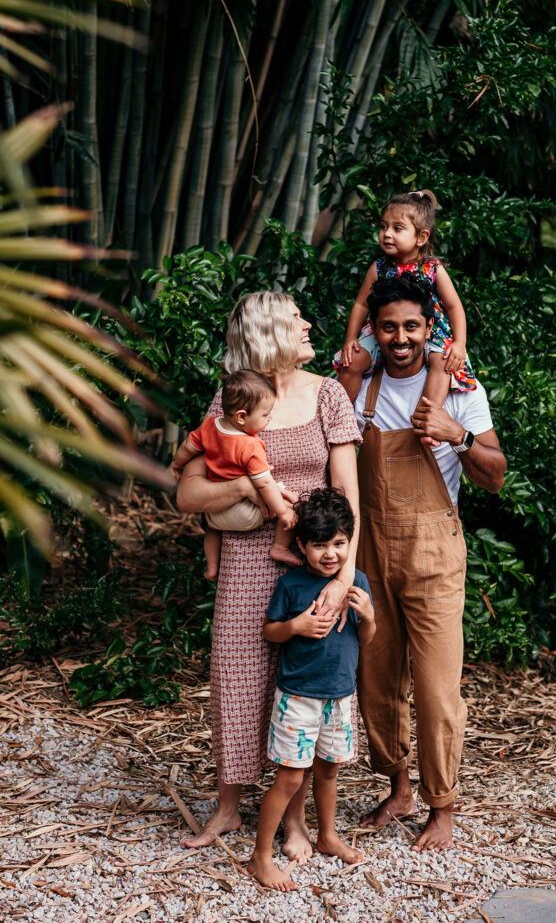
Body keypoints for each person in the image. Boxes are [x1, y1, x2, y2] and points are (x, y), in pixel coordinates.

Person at [176, 291, 361, 856]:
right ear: (270, 332)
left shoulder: (329, 395)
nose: (309, 323)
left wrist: (340, 576)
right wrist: (248, 487)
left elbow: (351, 495)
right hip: (246, 561)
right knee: (238, 676)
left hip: (316, 560)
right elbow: (186, 493)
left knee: (303, 677)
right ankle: (228, 808)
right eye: (297, 318)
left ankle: (296, 820)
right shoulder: (232, 400)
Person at [348, 273, 506, 852]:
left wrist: (457, 435)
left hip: (435, 553)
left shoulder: (460, 390)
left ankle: (442, 806)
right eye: (388, 327)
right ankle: (398, 788)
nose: (400, 338)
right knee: (377, 680)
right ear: (376, 330)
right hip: (369, 552)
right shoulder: (359, 391)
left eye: (411, 326)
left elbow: (496, 474)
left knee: (438, 690)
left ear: (429, 327)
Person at [246, 488, 375, 892]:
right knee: (289, 777)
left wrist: (368, 616)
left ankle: (328, 835)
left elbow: (366, 639)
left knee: (329, 771)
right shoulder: (292, 585)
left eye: (339, 544)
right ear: (301, 545)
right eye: (320, 545)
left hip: (340, 695)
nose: (331, 553)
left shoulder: (358, 582)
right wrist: (296, 626)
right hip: (299, 697)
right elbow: (270, 631)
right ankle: (260, 857)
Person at [333, 189, 476, 412]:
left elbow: (454, 306)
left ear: (422, 237)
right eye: (383, 227)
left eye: (397, 228)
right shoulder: (379, 268)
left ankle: (427, 417)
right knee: (353, 361)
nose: (387, 234)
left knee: (443, 364)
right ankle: (336, 414)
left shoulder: (433, 269)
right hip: (383, 330)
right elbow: (361, 304)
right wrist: (351, 338)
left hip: (430, 331)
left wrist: (459, 343)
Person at [170, 369, 301, 580]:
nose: (270, 418)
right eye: (265, 414)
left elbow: (188, 446)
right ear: (242, 417)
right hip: (244, 514)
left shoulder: (209, 425)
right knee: (289, 501)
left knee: (211, 529)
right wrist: (283, 512)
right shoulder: (251, 445)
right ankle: (279, 547)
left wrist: (176, 464)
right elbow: (264, 483)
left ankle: (212, 568)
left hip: (215, 512)